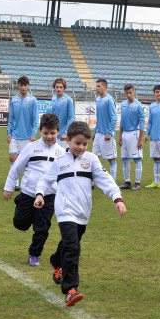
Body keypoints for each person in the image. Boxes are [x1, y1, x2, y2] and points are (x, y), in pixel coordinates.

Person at [34, 121, 126, 306]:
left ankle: (56, 260)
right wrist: (40, 194)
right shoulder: (60, 162)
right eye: (77, 143)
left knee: (71, 243)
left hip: (83, 213)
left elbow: (105, 179)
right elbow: (45, 180)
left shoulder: (91, 160)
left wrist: (117, 198)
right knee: (73, 248)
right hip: (64, 211)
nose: (81, 147)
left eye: (85, 144)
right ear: (68, 140)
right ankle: (70, 289)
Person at [3, 113, 65, 267]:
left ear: (58, 131)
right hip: (28, 193)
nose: (49, 136)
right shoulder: (31, 147)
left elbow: (64, 175)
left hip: (49, 195)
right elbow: (16, 168)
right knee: (20, 223)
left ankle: (34, 254)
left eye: (52, 133)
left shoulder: (62, 152)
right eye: (46, 133)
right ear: (40, 131)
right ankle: (27, 211)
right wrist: (9, 187)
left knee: (42, 228)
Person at [7, 76, 39, 190]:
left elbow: (35, 119)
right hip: (15, 135)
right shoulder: (14, 100)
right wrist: (8, 132)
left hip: (27, 136)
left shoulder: (33, 100)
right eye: (21, 85)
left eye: (25, 85)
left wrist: (33, 134)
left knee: (27, 162)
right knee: (12, 157)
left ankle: (28, 183)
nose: (23, 87)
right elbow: (11, 118)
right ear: (18, 86)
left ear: (28, 86)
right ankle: (15, 183)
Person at [118, 84, 145, 190]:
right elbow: (122, 121)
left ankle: (137, 183)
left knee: (137, 159)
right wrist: (120, 136)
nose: (129, 95)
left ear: (134, 92)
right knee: (124, 159)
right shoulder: (123, 104)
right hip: (124, 134)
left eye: (130, 92)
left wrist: (141, 139)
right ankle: (127, 182)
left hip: (134, 134)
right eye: (127, 93)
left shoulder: (138, 105)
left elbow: (142, 123)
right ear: (124, 93)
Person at [92, 78, 118, 181]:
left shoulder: (109, 100)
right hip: (98, 133)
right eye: (96, 86)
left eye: (99, 86)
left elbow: (114, 118)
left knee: (111, 159)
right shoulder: (98, 99)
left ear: (105, 87)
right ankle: (92, 180)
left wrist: (109, 132)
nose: (97, 88)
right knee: (93, 158)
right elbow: (99, 117)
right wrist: (95, 131)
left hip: (107, 134)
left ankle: (112, 182)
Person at [51, 78, 75, 150]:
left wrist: (66, 133)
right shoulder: (53, 98)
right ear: (54, 87)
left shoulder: (68, 100)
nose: (59, 89)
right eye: (57, 87)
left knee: (63, 155)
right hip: (54, 133)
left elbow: (71, 117)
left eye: (61, 87)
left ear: (64, 88)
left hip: (63, 136)